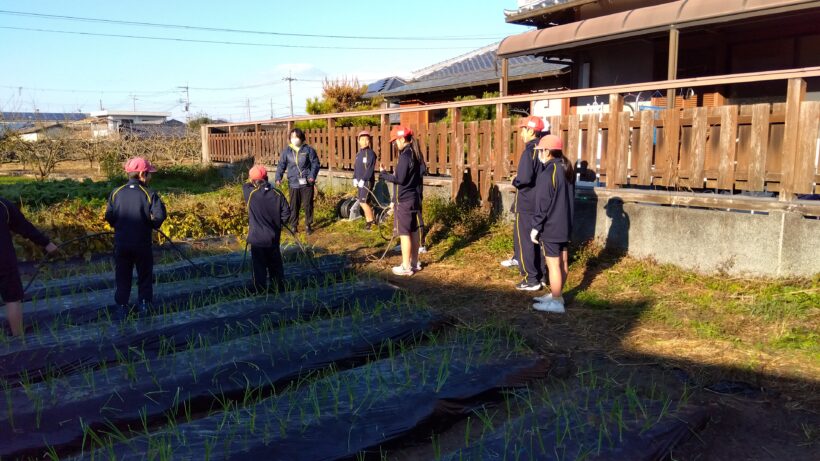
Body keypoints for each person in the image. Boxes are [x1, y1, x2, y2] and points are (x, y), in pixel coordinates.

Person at [105, 157, 167, 316]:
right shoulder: (149, 193)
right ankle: (145, 305)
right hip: (142, 244)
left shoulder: (116, 193)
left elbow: (109, 216)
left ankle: (121, 307)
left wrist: (119, 225)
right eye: (149, 174)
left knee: (122, 276)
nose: (150, 177)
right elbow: (160, 216)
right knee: (144, 275)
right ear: (141, 174)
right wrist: (150, 224)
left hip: (122, 244)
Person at [530, 135, 575, 313]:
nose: (539, 154)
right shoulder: (566, 169)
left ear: (547, 151)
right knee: (563, 262)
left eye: (540, 151)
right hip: (565, 224)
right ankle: (557, 294)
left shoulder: (548, 173)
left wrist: (535, 227)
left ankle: (556, 302)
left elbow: (543, 204)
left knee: (553, 264)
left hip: (551, 226)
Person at [0, 197, 58, 336]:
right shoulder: (3, 205)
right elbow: (24, 227)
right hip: (3, 259)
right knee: (12, 298)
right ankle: (18, 336)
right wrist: (47, 244)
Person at [380, 126, 423, 276]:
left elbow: (400, 179)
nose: (395, 144)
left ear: (402, 139)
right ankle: (414, 262)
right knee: (414, 231)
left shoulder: (405, 156)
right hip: (414, 198)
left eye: (395, 141)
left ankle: (406, 266)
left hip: (404, 200)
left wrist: (384, 174)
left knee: (404, 233)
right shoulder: (415, 154)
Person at [510, 116, 547, 291]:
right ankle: (542, 275)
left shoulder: (529, 151)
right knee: (537, 240)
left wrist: (515, 180)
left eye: (523, 129)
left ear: (531, 131)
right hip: (540, 202)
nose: (521, 134)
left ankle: (530, 279)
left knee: (524, 241)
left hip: (525, 203)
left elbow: (524, 178)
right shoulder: (544, 150)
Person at [244, 165, 291, 293]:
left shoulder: (250, 193)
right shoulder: (278, 194)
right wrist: (277, 223)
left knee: (259, 267)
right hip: (273, 237)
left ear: (253, 180)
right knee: (275, 266)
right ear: (266, 177)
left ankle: (260, 291)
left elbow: (246, 185)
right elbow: (287, 214)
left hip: (257, 239)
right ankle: (279, 289)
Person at [275, 128, 320, 236]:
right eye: (292, 137)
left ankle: (308, 225)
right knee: (294, 205)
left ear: (301, 138)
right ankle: (294, 226)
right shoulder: (287, 151)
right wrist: (278, 177)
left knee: (308, 204)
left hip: (307, 182)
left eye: (296, 137)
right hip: (293, 182)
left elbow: (315, 164)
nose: (294, 139)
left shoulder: (308, 150)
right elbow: (281, 165)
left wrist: (311, 176)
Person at [352, 130, 377, 231]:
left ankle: (370, 222)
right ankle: (371, 219)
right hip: (359, 182)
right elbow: (356, 167)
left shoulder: (370, 154)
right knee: (366, 201)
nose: (365, 141)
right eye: (362, 139)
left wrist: (363, 179)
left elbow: (370, 169)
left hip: (366, 181)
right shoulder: (359, 154)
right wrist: (354, 178)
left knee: (362, 202)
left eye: (367, 139)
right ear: (359, 141)